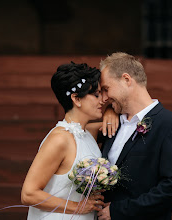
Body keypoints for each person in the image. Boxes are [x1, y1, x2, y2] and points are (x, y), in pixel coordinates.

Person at [97, 52, 172, 220]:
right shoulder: (112, 124)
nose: (103, 98)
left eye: (106, 89)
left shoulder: (171, 125)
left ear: (126, 80)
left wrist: (120, 211)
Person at [21, 62, 118, 220]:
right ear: (76, 99)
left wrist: (111, 111)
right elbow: (28, 194)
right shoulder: (59, 139)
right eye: (96, 95)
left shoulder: (88, 132)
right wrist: (78, 207)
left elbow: (121, 122)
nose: (103, 100)